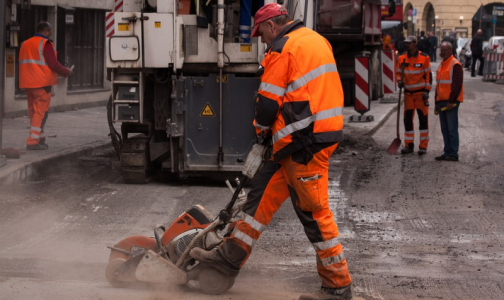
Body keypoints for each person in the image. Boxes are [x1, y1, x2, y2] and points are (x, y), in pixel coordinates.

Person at [190, 3, 354, 300]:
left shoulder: (281, 49)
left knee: (314, 214)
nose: (261, 39)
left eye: (260, 33)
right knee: (258, 200)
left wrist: (260, 132)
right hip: (300, 140)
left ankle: (337, 285)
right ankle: (228, 259)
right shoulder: (316, 40)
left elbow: (267, 104)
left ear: (271, 26)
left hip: (305, 144)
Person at [19, 21, 72, 150]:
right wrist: (67, 71)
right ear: (45, 31)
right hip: (42, 83)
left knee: (33, 112)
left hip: (28, 83)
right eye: (50, 32)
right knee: (41, 113)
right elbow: (53, 64)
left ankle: (39, 137)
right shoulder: (45, 44)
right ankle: (32, 142)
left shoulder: (25, 43)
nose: (50, 35)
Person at [396, 35, 432, 155]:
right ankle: (409, 145)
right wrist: (398, 81)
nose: (407, 45)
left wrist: (427, 90)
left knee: (423, 120)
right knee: (407, 120)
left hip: (420, 94)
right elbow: (398, 73)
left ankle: (423, 147)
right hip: (408, 95)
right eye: (406, 43)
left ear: (415, 44)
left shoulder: (424, 58)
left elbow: (429, 76)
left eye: (409, 43)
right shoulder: (402, 59)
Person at [434, 42, 463, 161]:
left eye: (445, 50)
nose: (442, 52)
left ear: (450, 51)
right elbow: (439, 85)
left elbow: (456, 85)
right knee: (445, 129)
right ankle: (447, 152)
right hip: (441, 101)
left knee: (451, 128)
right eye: (441, 49)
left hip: (450, 102)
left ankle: (453, 153)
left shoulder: (455, 64)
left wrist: (451, 101)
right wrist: (436, 102)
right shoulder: (442, 65)